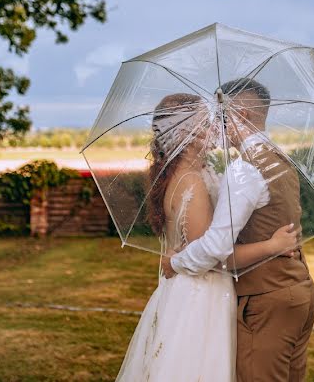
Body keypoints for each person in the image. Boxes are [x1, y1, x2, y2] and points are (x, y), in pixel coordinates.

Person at [116, 92, 297, 382]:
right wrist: (272, 246)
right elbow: (213, 257)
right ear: (188, 133)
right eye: (207, 122)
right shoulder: (193, 183)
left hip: (190, 286)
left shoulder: (192, 172)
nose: (216, 128)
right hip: (203, 295)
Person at [165, 78, 314, 382]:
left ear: (242, 116)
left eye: (221, 117)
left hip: (266, 300)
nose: (217, 127)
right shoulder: (279, 159)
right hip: (299, 292)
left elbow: (215, 247)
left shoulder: (245, 170)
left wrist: (174, 262)